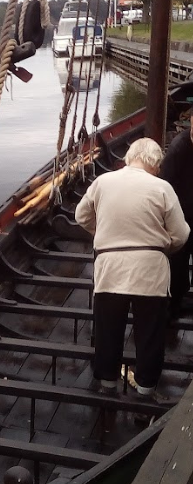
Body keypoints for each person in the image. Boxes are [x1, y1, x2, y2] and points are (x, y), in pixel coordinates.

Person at [75, 137, 190, 402]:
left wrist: (103, 234)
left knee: (108, 330)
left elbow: (81, 216)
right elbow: (181, 234)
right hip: (149, 272)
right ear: (156, 163)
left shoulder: (102, 182)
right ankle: (145, 391)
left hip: (110, 269)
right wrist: (162, 248)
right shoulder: (162, 188)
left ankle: (107, 386)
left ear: (129, 157)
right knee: (149, 334)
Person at [160, 126, 193, 311]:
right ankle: (175, 303)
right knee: (178, 259)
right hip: (182, 212)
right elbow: (166, 184)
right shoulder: (178, 148)